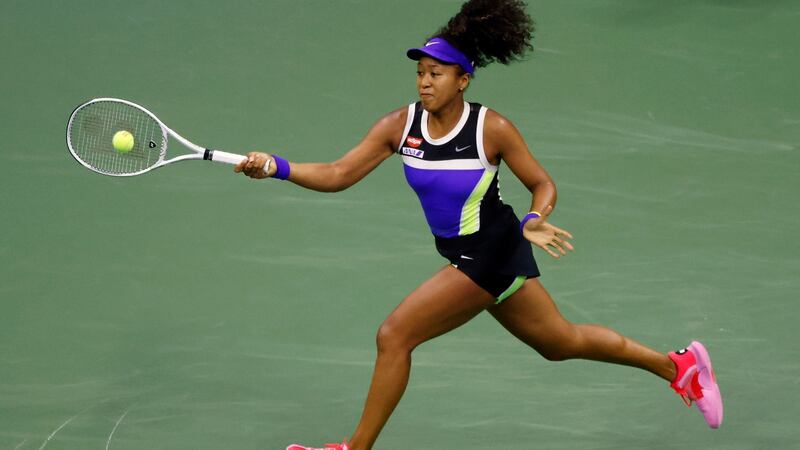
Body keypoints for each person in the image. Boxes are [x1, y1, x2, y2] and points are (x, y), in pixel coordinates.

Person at [235, 1, 723, 449]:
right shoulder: (398, 126)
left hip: (488, 253)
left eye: (437, 74)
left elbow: (542, 183)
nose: (425, 82)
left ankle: (353, 449)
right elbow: (340, 174)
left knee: (394, 336)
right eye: (420, 73)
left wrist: (536, 219)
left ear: (463, 79)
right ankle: (677, 366)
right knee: (560, 343)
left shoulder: (491, 129)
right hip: (474, 255)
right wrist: (276, 166)